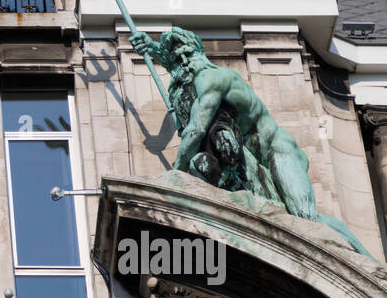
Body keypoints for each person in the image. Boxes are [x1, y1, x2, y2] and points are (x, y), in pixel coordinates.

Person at [130, 27, 369, 255]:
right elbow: (176, 67)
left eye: (184, 58)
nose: (180, 66)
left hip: (279, 151)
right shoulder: (194, 76)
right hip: (253, 162)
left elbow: (196, 129)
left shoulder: (211, 78)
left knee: (307, 218)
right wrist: (152, 49)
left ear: (195, 54)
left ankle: (363, 257)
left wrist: (177, 173)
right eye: (176, 61)